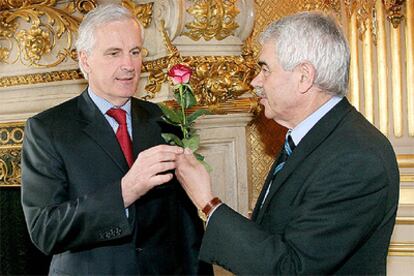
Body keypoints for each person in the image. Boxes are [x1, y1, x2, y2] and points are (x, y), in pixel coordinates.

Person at [175, 11, 399, 275]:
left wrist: (208, 202)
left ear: (304, 77)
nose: (255, 81)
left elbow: (292, 269)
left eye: (265, 69)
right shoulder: (313, 137)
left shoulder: (356, 157)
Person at [21, 4, 212, 275]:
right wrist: (124, 192)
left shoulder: (165, 120)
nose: (129, 64)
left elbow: (187, 226)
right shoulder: (47, 130)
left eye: (135, 52)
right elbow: (45, 231)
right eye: (114, 53)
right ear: (84, 60)